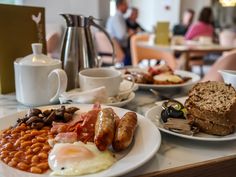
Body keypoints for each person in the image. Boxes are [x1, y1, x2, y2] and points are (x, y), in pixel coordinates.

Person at [106, 0, 134, 65]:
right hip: (120, 50)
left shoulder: (112, 18)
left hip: (112, 50)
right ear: (120, 5)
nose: (127, 7)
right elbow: (121, 36)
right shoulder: (118, 18)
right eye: (126, 5)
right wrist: (130, 33)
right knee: (134, 54)